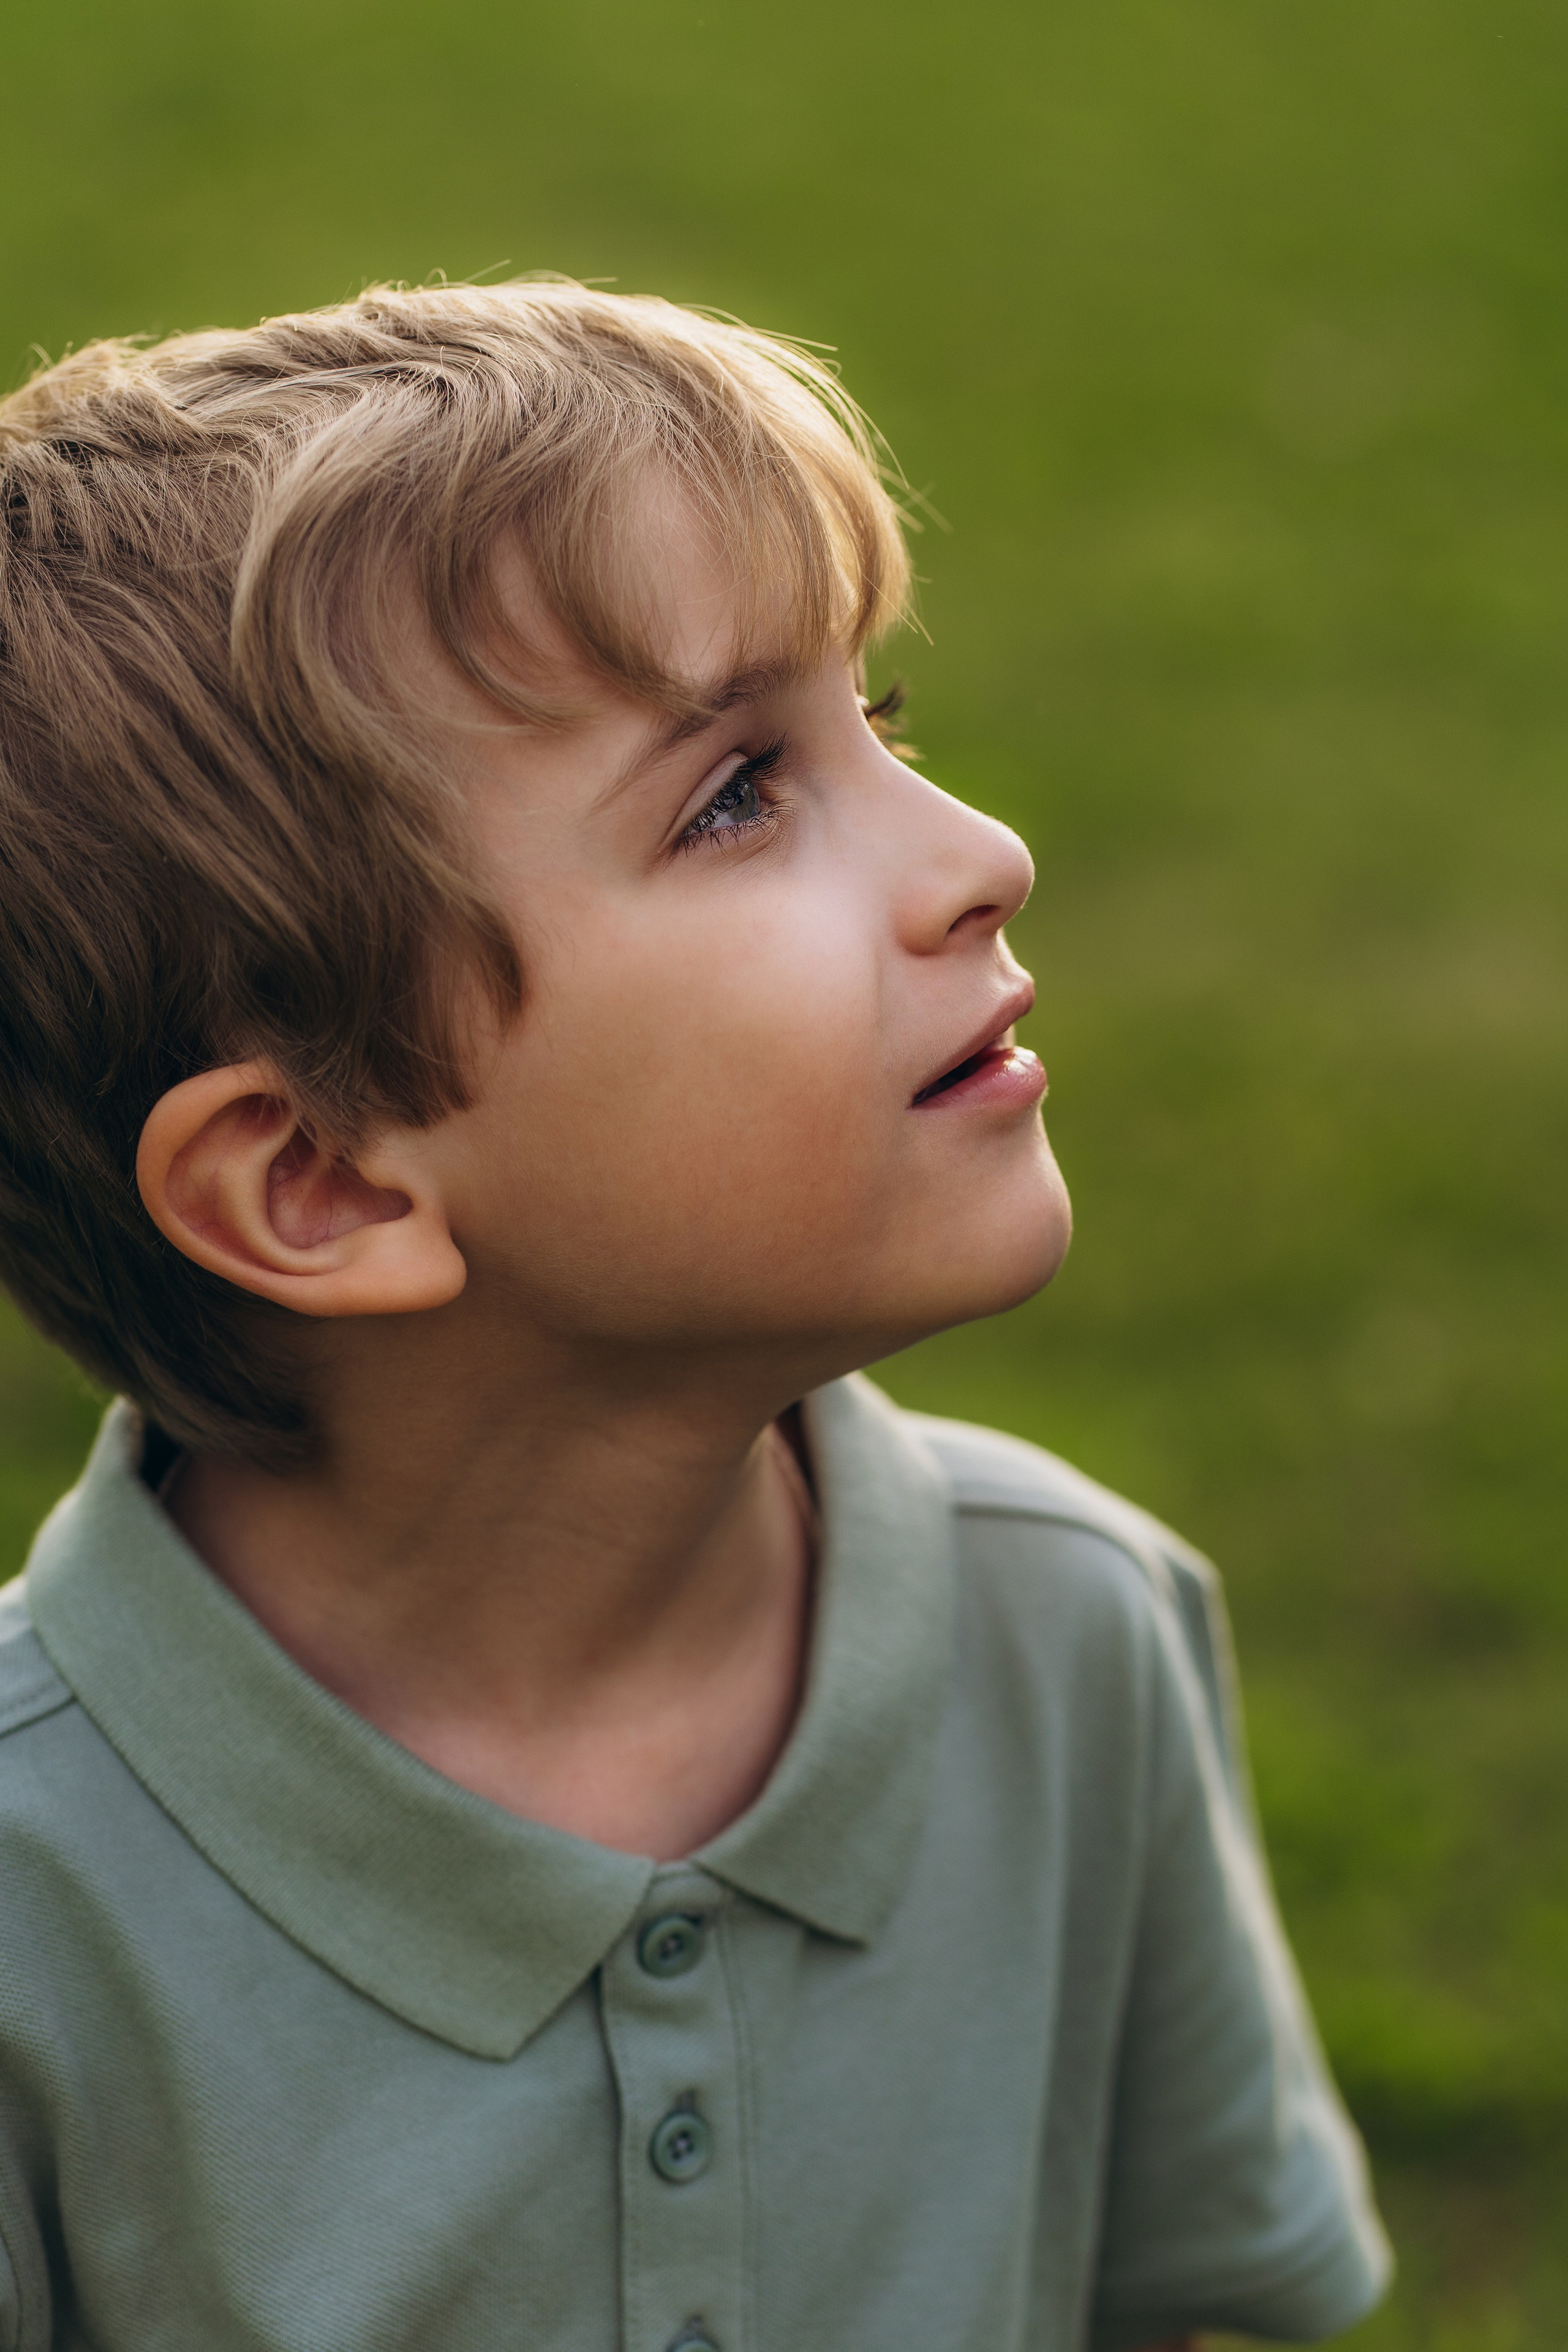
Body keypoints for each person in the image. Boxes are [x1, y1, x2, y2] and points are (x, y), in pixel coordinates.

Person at [0, 282, 1388, 2352]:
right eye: (736, 793)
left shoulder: (1072, 1634)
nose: (986, 855)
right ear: (326, 1181)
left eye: (880, 722)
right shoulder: (39, 1900)